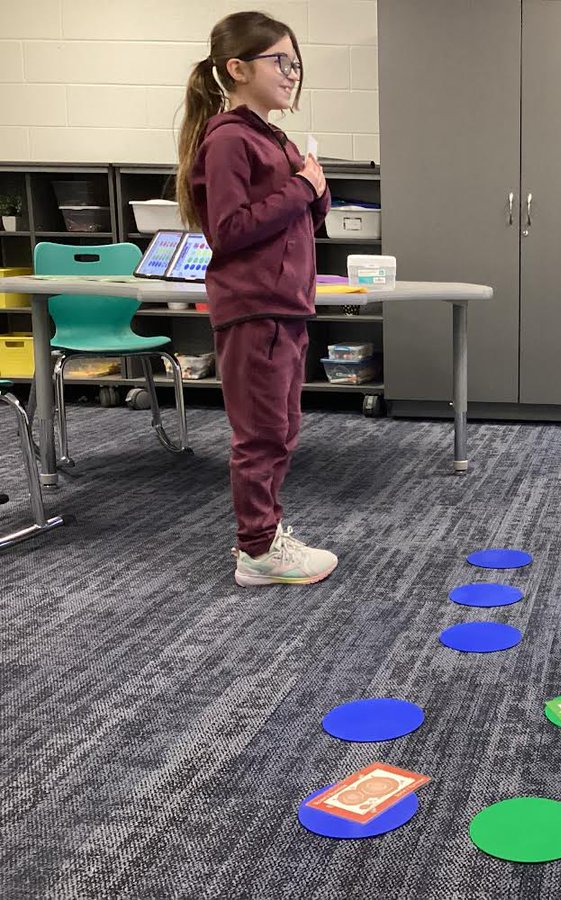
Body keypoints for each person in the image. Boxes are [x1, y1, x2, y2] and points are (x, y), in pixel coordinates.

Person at [176, 11, 337, 586]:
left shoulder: (273, 137)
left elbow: (298, 219)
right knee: (263, 434)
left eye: (296, 63)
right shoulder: (228, 139)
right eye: (280, 61)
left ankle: (265, 535)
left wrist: (313, 189)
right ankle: (257, 551)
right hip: (256, 307)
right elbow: (229, 229)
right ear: (236, 68)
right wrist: (301, 187)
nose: (292, 73)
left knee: (282, 427)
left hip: (284, 305)